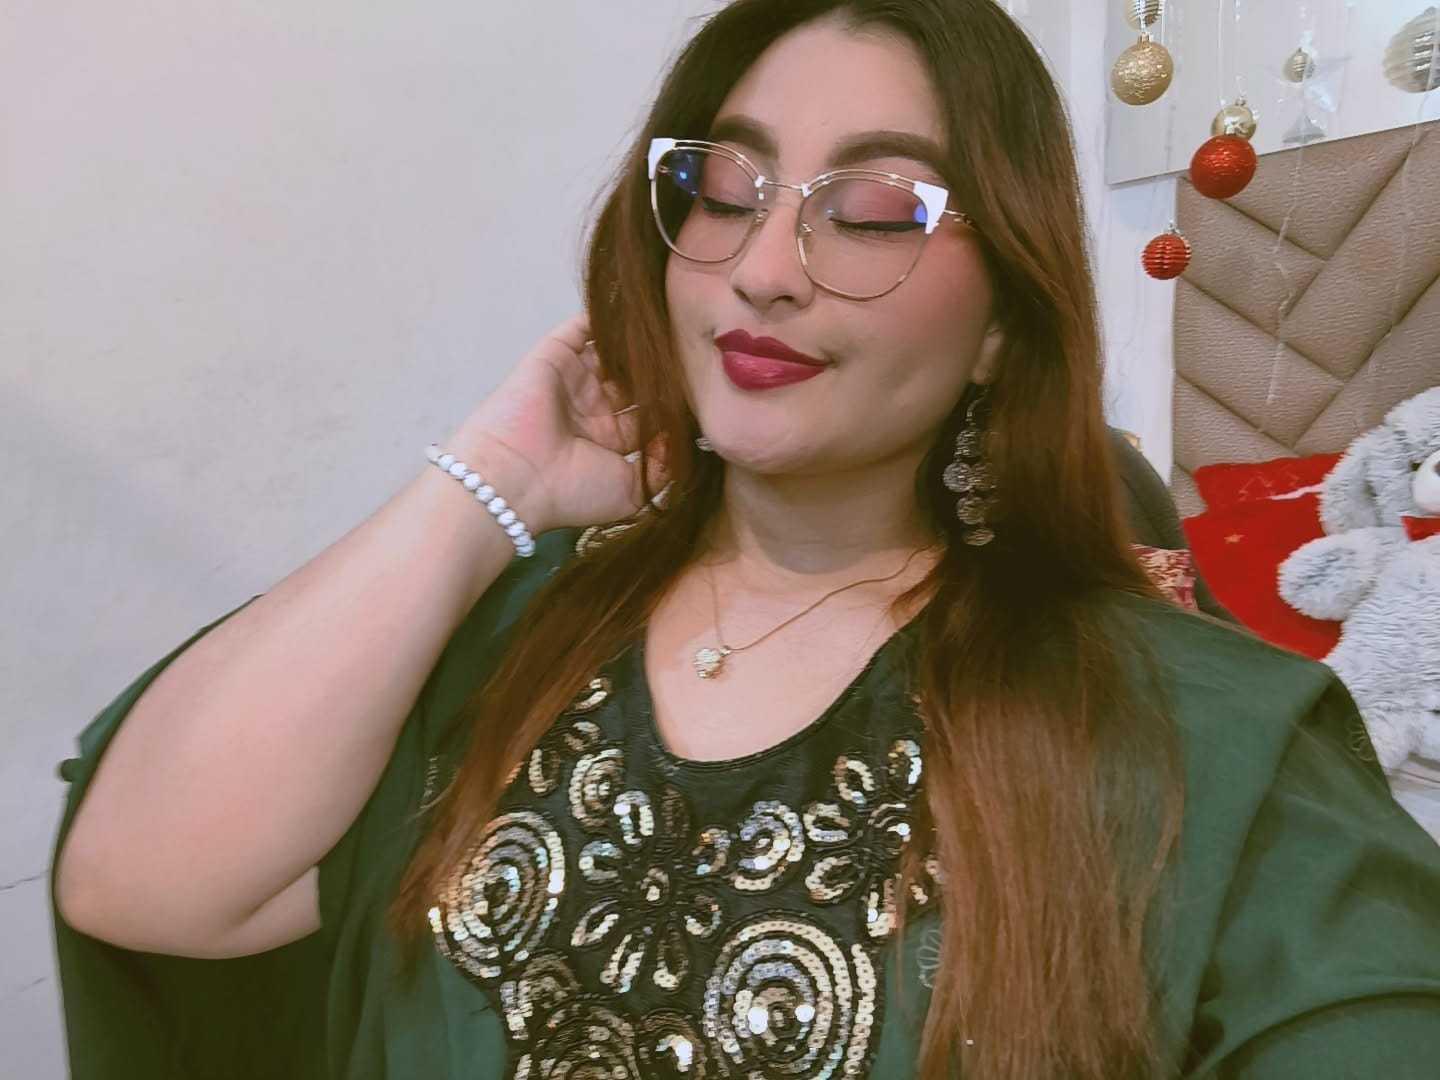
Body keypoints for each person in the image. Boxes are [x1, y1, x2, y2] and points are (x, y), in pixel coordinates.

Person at [50, 1, 1440, 1078]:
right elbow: (141, 889)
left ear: (1001, 323)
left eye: (876, 209)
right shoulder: (506, 631)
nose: (764, 269)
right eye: (724, 189)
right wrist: (490, 483)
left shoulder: (1202, 737)